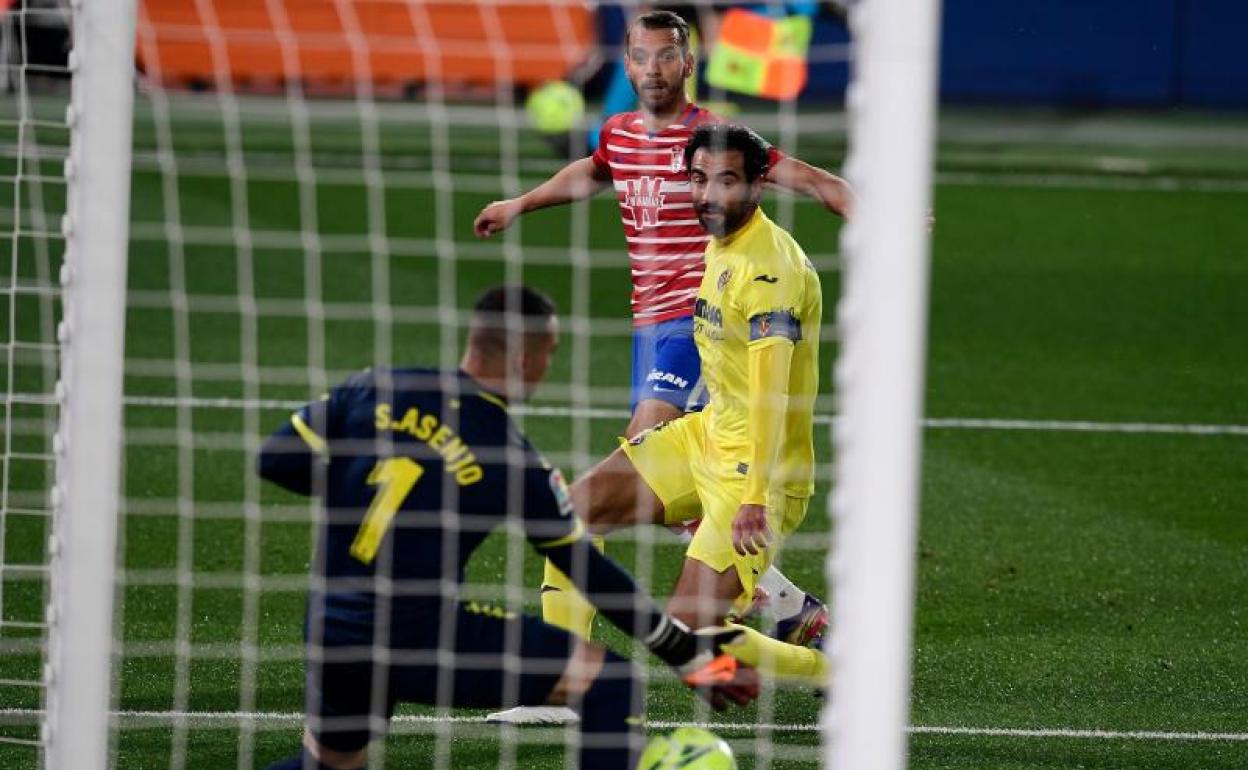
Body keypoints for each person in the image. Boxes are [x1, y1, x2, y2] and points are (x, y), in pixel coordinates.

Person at [473, 11, 844, 695]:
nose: (651, 70)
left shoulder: (718, 145)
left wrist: (874, 209)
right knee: (595, 506)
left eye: (665, 57)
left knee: (645, 449)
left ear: (687, 62)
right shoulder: (619, 134)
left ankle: (751, 630)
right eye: (639, 57)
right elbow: (591, 172)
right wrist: (520, 203)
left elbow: (813, 180)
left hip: (694, 327)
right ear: (626, 61)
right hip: (662, 325)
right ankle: (783, 606)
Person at [257, 285, 758, 770]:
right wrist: (677, 648)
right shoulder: (509, 455)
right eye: (550, 353)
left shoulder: (376, 386)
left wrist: (354, 487)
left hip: (331, 624)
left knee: (329, 764)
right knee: (609, 680)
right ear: (525, 360)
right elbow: (583, 566)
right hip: (416, 635)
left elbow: (275, 460)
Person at [555, 122, 832, 693]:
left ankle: (835, 673)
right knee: (574, 512)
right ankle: (556, 681)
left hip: (758, 470)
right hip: (708, 435)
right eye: (699, 179)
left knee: (688, 628)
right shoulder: (724, 240)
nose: (708, 194)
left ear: (758, 185)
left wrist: (755, 497)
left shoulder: (768, 270)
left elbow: (769, 395)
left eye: (726, 181)